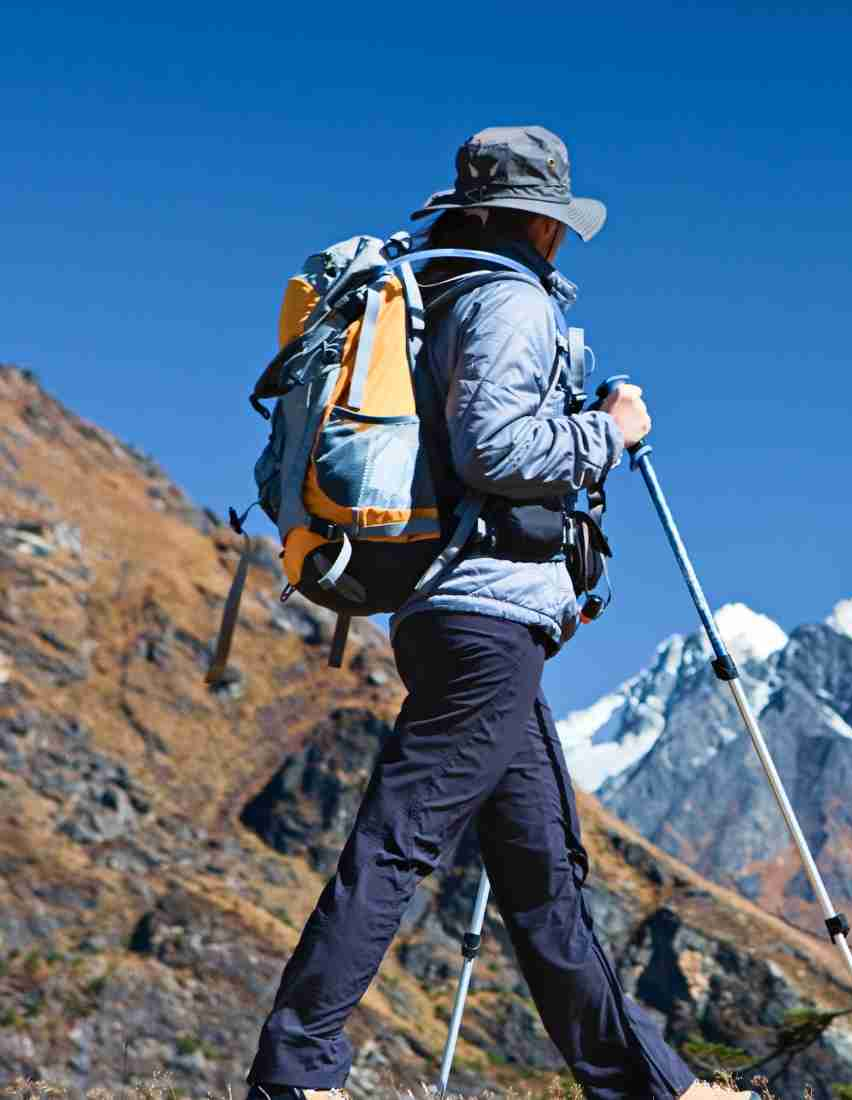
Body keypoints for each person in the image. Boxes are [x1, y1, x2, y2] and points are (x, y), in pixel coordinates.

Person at [245, 125, 724, 1100]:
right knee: (401, 834)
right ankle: (294, 1070)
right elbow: (496, 450)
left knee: (544, 877)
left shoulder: (450, 295)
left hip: (461, 612)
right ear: (536, 223)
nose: (559, 244)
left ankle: (654, 1087)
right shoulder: (507, 301)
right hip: (486, 613)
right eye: (555, 225)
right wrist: (609, 430)